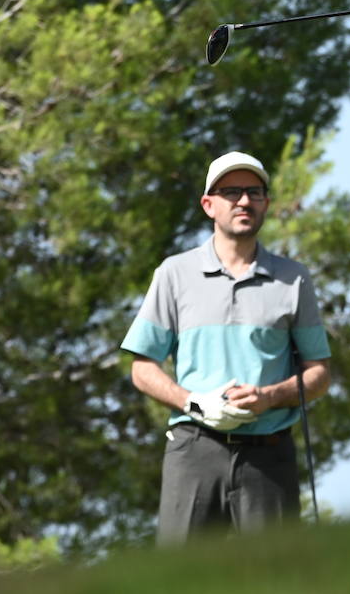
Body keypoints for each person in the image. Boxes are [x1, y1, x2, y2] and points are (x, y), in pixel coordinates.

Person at [121, 151, 331, 542]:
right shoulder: (175, 273)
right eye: (231, 192)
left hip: (269, 455)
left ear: (266, 203)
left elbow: (318, 374)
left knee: (277, 579)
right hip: (194, 450)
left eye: (254, 192)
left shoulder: (293, 279)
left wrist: (268, 397)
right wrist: (193, 402)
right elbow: (142, 367)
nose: (244, 201)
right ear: (208, 204)